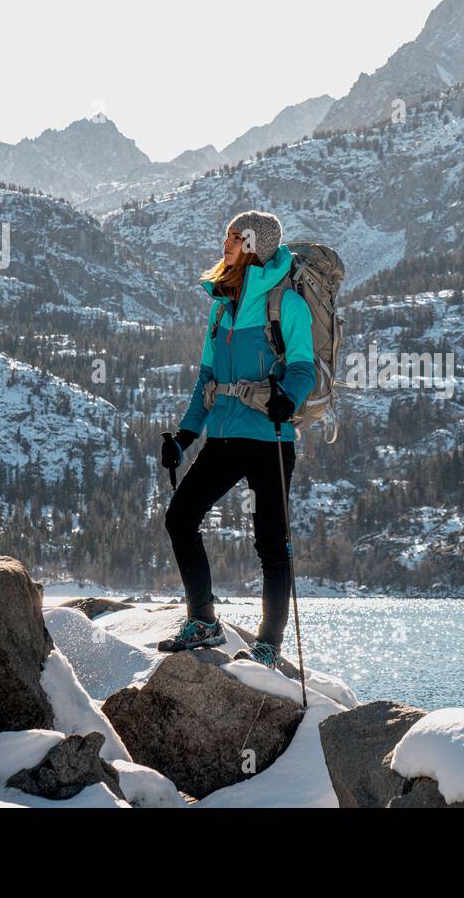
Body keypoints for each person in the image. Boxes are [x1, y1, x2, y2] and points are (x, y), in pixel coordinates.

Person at [158, 210, 315, 668]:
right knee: (180, 517)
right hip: (224, 438)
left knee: (271, 542)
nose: (224, 243)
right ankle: (204, 621)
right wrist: (184, 438)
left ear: (252, 245)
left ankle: (268, 644)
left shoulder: (286, 304)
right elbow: (206, 379)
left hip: (270, 436)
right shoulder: (220, 306)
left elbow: (303, 366)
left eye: (233, 237)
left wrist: (290, 396)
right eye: (226, 235)